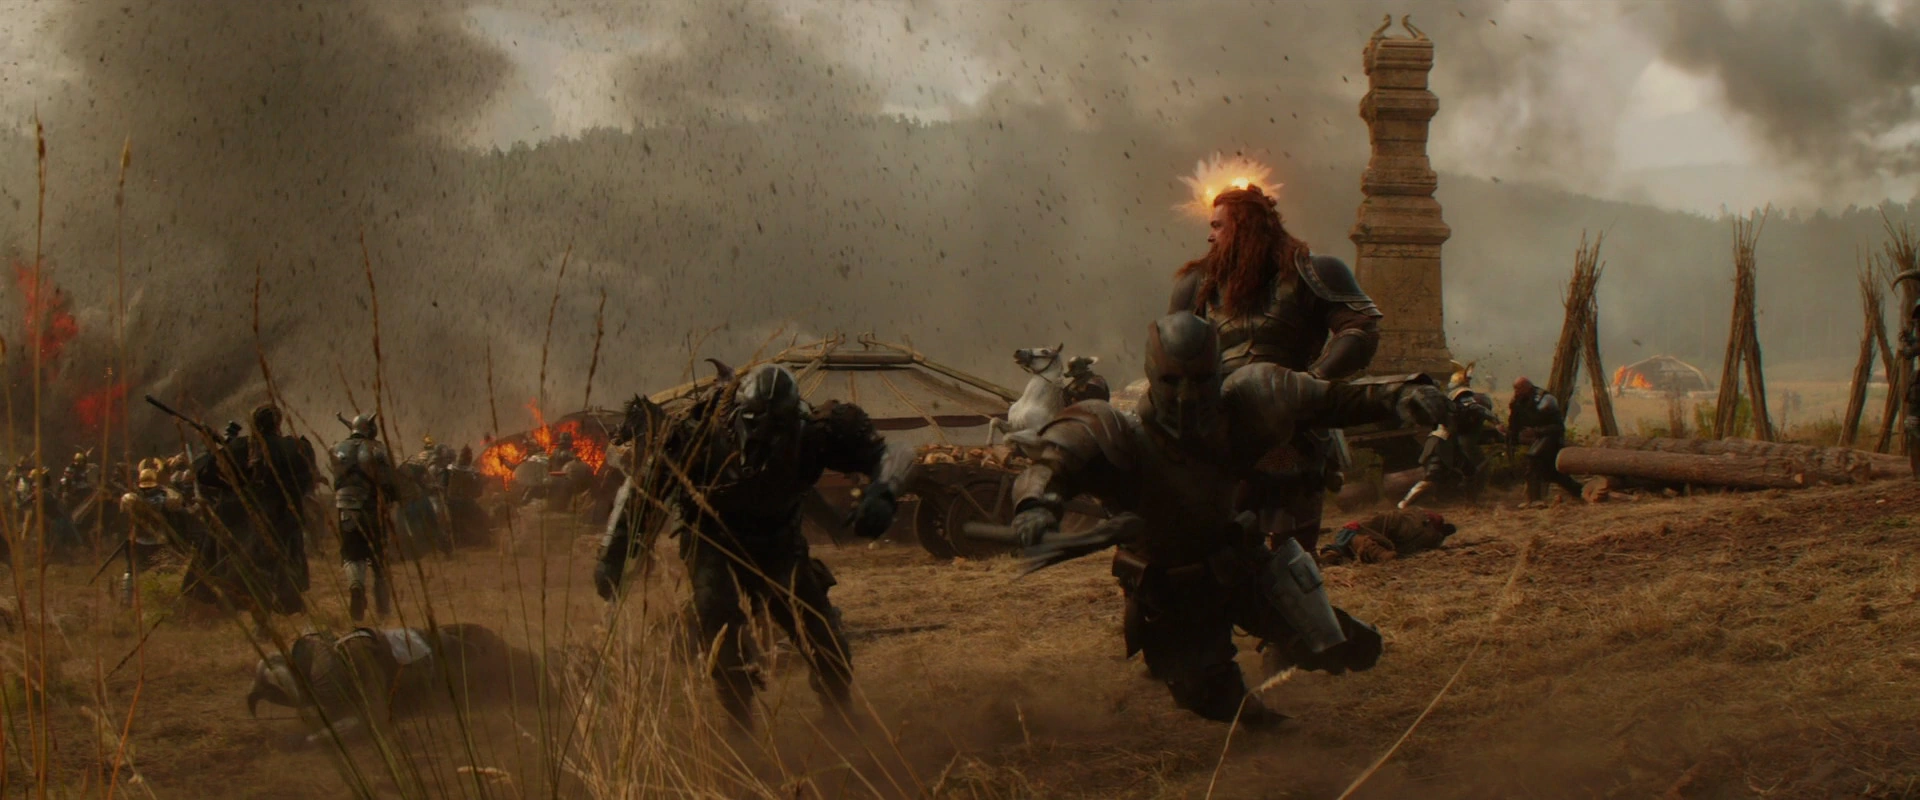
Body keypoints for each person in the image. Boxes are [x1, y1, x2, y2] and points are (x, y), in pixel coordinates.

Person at [1004, 312, 1446, 726]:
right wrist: (1035, 506)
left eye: (1200, 380)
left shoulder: (1247, 401)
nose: (1186, 396)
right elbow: (1050, 467)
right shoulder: (1116, 430)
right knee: (1209, 696)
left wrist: (1401, 393)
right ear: (1154, 375)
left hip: (1241, 563)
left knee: (1346, 648)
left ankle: (1307, 647)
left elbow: (1334, 398)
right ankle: (1259, 719)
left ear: (1216, 373)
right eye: (1172, 381)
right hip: (1171, 588)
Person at [595, 363, 913, 731]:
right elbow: (640, 492)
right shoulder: (696, 437)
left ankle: (838, 711)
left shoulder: (815, 433)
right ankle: (739, 723)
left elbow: (895, 452)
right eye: (758, 423)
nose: (768, 435)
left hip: (780, 543)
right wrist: (614, 553)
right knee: (720, 624)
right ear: (738, 418)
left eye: (779, 426)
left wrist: (885, 491)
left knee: (821, 632)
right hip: (713, 542)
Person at [1167, 183, 1382, 552]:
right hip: (1224, 428)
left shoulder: (1312, 272)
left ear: (1246, 226)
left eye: (1218, 226)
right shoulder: (1196, 285)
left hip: (1293, 430)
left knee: (1292, 546)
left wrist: (1309, 383)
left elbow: (1360, 328)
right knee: (1223, 542)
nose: (1210, 236)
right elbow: (1171, 355)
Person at [330, 413, 406, 621]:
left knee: (352, 554)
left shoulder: (336, 448)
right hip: (372, 508)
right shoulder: (378, 449)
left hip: (346, 508)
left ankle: (356, 585)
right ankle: (383, 609)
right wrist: (395, 497)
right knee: (379, 557)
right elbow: (390, 480)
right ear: (369, 428)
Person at [1399, 364, 1503, 509]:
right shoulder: (1461, 397)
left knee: (1467, 471)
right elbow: (1477, 408)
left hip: (1442, 440)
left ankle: (1471, 504)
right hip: (1443, 442)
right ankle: (1404, 504)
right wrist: (1496, 421)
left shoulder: (1444, 398)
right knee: (1433, 477)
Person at [117, 462, 190, 607]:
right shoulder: (166, 498)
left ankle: (127, 601)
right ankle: (161, 601)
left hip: (137, 540)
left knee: (131, 571)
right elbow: (177, 506)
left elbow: (123, 512)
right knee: (163, 570)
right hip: (158, 540)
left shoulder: (131, 498)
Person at [1507, 377, 1584, 504]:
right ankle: (1580, 491)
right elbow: (1515, 423)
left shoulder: (1545, 400)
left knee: (1533, 461)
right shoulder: (1518, 401)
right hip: (1536, 438)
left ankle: (1535, 500)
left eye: (1519, 388)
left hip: (1551, 438)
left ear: (1528, 387)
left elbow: (1558, 427)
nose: (1516, 391)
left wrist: (1536, 431)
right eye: (1515, 389)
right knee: (1552, 473)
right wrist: (1511, 437)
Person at [1318, 510, 1457, 566]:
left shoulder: (1419, 523)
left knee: (1383, 553)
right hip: (1359, 534)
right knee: (1384, 554)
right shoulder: (1424, 529)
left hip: (1359, 534)